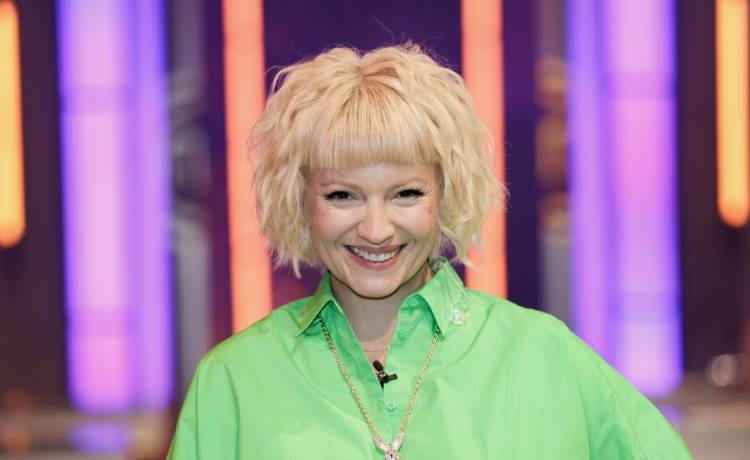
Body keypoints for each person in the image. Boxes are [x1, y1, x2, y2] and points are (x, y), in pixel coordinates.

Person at [167, 43, 691, 459]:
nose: (376, 229)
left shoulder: (543, 356)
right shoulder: (234, 380)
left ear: (446, 193)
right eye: (342, 195)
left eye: (406, 194)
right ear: (300, 200)